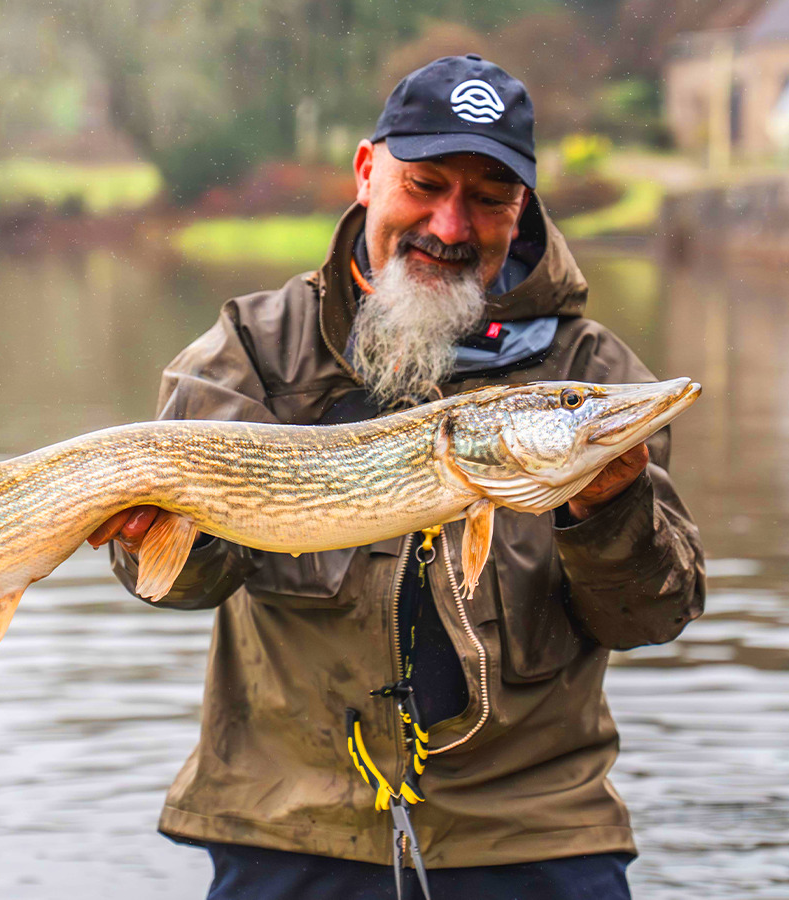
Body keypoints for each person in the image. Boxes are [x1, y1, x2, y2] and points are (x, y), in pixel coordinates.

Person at [87, 55, 704, 900]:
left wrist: (607, 507)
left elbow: (651, 615)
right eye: (425, 184)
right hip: (292, 828)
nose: (451, 226)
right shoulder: (257, 350)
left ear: (521, 209)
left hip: (533, 837)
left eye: (489, 198)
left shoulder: (590, 369)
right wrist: (156, 536)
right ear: (368, 171)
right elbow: (170, 583)